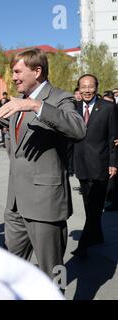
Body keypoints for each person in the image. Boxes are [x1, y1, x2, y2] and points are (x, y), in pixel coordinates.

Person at [0, 48, 86, 278]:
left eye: (17, 72)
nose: (13, 77)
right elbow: (1, 121)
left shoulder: (59, 98)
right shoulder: (19, 102)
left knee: (51, 273)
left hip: (45, 203)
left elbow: (78, 128)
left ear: (37, 71)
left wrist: (36, 106)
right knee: (10, 271)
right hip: (15, 203)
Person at [71, 74, 118, 258]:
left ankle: (83, 245)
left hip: (101, 165)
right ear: (79, 88)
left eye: (90, 86)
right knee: (89, 206)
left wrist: (114, 163)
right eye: (83, 86)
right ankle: (97, 236)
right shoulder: (73, 108)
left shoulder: (108, 107)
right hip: (81, 165)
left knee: (94, 208)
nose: (87, 90)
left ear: (96, 87)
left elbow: (113, 138)